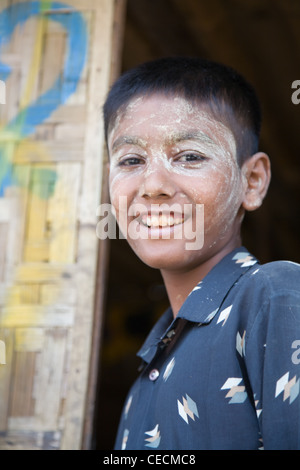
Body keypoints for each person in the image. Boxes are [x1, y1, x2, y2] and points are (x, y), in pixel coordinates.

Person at [103, 57, 300, 450]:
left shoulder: (276, 297)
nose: (153, 185)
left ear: (253, 181)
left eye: (190, 156)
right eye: (131, 160)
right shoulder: (150, 364)